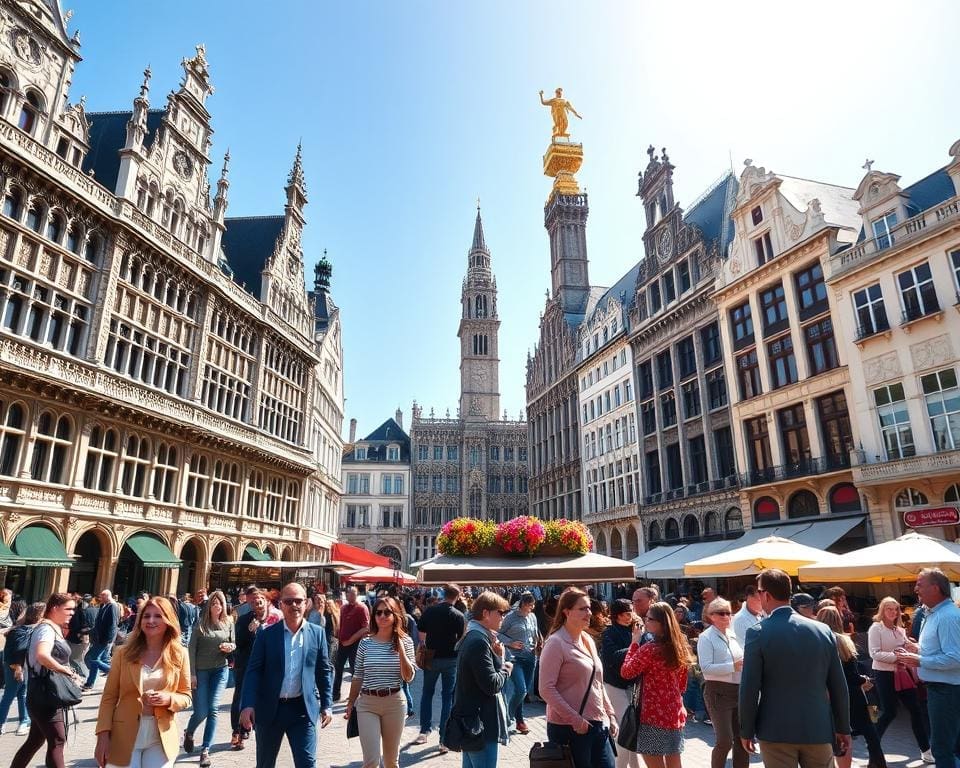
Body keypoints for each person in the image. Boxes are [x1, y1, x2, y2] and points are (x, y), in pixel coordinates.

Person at [738, 568, 850, 768]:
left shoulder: (758, 633)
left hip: (775, 729)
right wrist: (843, 727)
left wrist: (746, 730)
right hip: (817, 726)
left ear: (767, 595)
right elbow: (838, 685)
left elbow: (749, 688)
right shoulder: (822, 630)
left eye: (759, 591)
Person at [239, 582, 333, 768]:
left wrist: (327, 704)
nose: (294, 606)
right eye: (288, 601)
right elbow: (253, 671)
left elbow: (323, 671)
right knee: (265, 764)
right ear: (281, 604)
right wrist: (247, 704)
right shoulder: (266, 635)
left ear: (306, 603)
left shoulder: (317, 634)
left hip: (302, 710)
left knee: (307, 763)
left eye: (298, 601)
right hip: (270, 709)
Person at [93, 597, 192, 768]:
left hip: (161, 736)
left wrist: (169, 699)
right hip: (124, 734)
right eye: (146, 616)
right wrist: (102, 736)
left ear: (168, 620)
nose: (151, 620)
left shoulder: (180, 653)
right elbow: (109, 697)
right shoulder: (123, 653)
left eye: (158, 616)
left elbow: (186, 695)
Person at [540, 587, 618, 768]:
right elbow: (546, 689)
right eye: (582, 608)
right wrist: (575, 720)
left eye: (589, 608)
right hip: (570, 727)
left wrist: (610, 714)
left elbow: (596, 681)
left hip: (597, 723)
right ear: (566, 612)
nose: (589, 613)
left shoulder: (587, 639)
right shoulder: (555, 643)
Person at [894, 568, 960, 768]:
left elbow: (955, 658)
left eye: (919, 584)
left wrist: (919, 660)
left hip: (946, 690)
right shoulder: (933, 613)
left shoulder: (947, 616)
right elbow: (942, 649)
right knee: (950, 747)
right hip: (942, 689)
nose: (915, 589)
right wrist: (919, 650)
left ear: (935, 587)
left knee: (942, 749)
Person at [344, 596, 415, 768]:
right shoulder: (365, 643)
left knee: (391, 761)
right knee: (371, 762)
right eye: (378, 612)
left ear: (395, 615)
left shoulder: (406, 641)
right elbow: (358, 675)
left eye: (387, 612)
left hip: (395, 703)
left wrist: (401, 650)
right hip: (367, 703)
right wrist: (351, 702)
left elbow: (409, 677)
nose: (382, 616)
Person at [10, 593, 79, 768]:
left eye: (73, 609)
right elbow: (42, 655)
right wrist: (65, 670)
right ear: (55, 608)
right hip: (44, 694)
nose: (72, 613)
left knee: (35, 740)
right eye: (68, 609)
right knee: (57, 740)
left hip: (42, 692)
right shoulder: (46, 629)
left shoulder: (51, 627)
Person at [621, 601, 692, 768]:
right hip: (674, 713)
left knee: (654, 762)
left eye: (650, 618)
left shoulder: (650, 649)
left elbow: (626, 672)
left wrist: (634, 643)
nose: (646, 621)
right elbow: (682, 684)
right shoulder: (680, 646)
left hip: (653, 715)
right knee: (674, 761)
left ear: (661, 623)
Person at [817, 606, 885, 768]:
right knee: (869, 729)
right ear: (838, 620)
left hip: (826, 696)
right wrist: (865, 680)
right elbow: (851, 676)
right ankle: (878, 762)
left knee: (836, 735)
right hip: (854, 695)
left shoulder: (815, 642)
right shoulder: (843, 641)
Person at [450, 591, 513, 768]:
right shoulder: (478, 640)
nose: (503, 617)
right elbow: (492, 684)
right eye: (500, 613)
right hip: (480, 723)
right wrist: (505, 667)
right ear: (486, 613)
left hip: (473, 721)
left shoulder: (476, 636)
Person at [867, 596, 932, 763]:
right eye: (889, 608)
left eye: (896, 609)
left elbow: (906, 646)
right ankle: (873, 747)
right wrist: (898, 657)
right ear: (882, 610)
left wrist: (912, 647)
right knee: (889, 712)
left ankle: (926, 750)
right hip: (884, 674)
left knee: (915, 710)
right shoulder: (876, 628)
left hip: (902, 673)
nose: (893, 612)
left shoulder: (899, 629)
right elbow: (874, 653)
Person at [184, 589, 235, 767]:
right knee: (201, 711)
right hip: (201, 671)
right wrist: (191, 674)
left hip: (220, 670)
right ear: (209, 606)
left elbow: (233, 643)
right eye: (214, 603)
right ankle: (189, 732)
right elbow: (191, 650)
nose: (217, 606)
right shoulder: (200, 625)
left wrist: (230, 646)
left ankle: (205, 750)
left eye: (220, 603)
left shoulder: (228, 622)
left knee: (213, 709)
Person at [414, 583, 466, 750]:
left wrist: (424, 644)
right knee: (447, 697)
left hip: (432, 657)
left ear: (443, 594)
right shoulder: (458, 615)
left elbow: (421, 632)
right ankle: (443, 739)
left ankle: (424, 730)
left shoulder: (430, 611)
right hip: (451, 659)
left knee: (427, 693)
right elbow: (461, 638)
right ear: (457, 597)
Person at [697, 597, 748, 768]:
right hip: (718, 692)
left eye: (729, 613)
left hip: (738, 691)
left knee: (742, 739)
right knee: (724, 740)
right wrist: (732, 666)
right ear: (711, 616)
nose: (726, 616)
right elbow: (706, 668)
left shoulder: (733, 635)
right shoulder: (706, 637)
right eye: (721, 613)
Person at [230, 588, 280, 749]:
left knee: (261, 698)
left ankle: (252, 728)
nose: (257, 603)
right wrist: (250, 631)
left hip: (268, 666)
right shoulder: (245, 620)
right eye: (254, 602)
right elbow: (238, 643)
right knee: (241, 697)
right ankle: (238, 730)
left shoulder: (276, 618)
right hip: (247, 665)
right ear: (251, 605)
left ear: (266, 602)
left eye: (260, 600)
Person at [600, 599, 640, 768]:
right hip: (615, 685)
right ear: (617, 615)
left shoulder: (636, 629)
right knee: (624, 729)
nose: (630, 616)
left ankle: (635, 765)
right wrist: (634, 644)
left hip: (633, 686)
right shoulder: (609, 632)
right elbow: (612, 657)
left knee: (632, 729)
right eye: (626, 613)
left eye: (631, 612)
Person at [498, 591, 539, 735]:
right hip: (515, 658)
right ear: (522, 604)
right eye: (529, 605)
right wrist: (511, 642)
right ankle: (508, 715)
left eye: (533, 605)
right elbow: (498, 633)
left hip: (530, 657)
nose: (531, 608)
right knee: (520, 689)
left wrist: (539, 643)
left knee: (524, 692)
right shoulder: (510, 618)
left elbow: (535, 633)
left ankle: (520, 721)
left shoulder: (532, 617)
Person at [0, 601, 43, 736]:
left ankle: (23, 721)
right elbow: (20, 650)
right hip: (18, 666)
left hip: (16, 665)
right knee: (11, 695)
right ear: (39, 615)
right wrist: (18, 668)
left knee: (21, 694)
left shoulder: (19, 629)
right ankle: (7, 723)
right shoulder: (26, 630)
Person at [333, 586, 370, 701]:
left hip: (355, 644)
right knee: (338, 668)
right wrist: (338, 635)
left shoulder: (362, 608)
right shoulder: (343, 608)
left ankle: (355, 695)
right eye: (349, 593)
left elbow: (366, 628)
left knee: (355, 670)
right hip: (342, 644)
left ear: (357, 595)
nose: (350, 595)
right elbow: (342, 625)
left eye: (353, 593)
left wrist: (351, 640)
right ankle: (335, 694)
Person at [84, 589, 121, 691]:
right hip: (99, 638)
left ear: (107, 596)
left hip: (104, 638)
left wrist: (108, 639)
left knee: (93, 659)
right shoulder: (104, 605)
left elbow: (112, 624)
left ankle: (112, 672)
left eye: (102, 596)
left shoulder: (112, 606)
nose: (100, 598)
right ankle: (89, 683)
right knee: (94, 659)